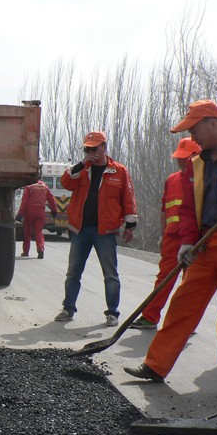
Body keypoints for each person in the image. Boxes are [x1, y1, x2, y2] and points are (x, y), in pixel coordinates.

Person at [124, 100, 217, 400]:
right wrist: (187, 241)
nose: (193, 135)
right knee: (181, 306)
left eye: (194, 127)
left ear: (213, 122)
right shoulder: (195, 163)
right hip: (205, 245)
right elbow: (188, 208)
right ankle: (156, 365)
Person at [54, 131, 137, 327]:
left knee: (110, 274)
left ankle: (112, 313)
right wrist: (81, 163)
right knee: (73, 273)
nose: (92, 152)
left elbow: (128, 198)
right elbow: (66, 183)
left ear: (104, 147)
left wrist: (130, 225)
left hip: (105, 232)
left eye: (95, 148)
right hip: (80, 230)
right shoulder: (82, 170)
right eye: (87, 149)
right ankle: (68, 309)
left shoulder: (119, 171)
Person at [130, 137, 201, 330]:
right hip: (172, 237)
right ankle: (150, 317)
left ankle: (187, 322)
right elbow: (164, 210)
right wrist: (163, 235)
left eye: (185, 157)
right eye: (180, 157)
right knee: (164, 278)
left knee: (191, 282)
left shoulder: (205, 179)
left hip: (196, 238)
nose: (181, 161)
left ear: (197, 156)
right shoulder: (172, 180)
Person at [15, 179, 57, 259]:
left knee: (27, 232)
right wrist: (54, 210)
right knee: (38, 231)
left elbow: (25, 202)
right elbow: (51, 199)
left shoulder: (29, 187)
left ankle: (26, 251)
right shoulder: (44, 187)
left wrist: (20, 214)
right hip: (40, 212)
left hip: (30, 212)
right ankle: (40, 250)